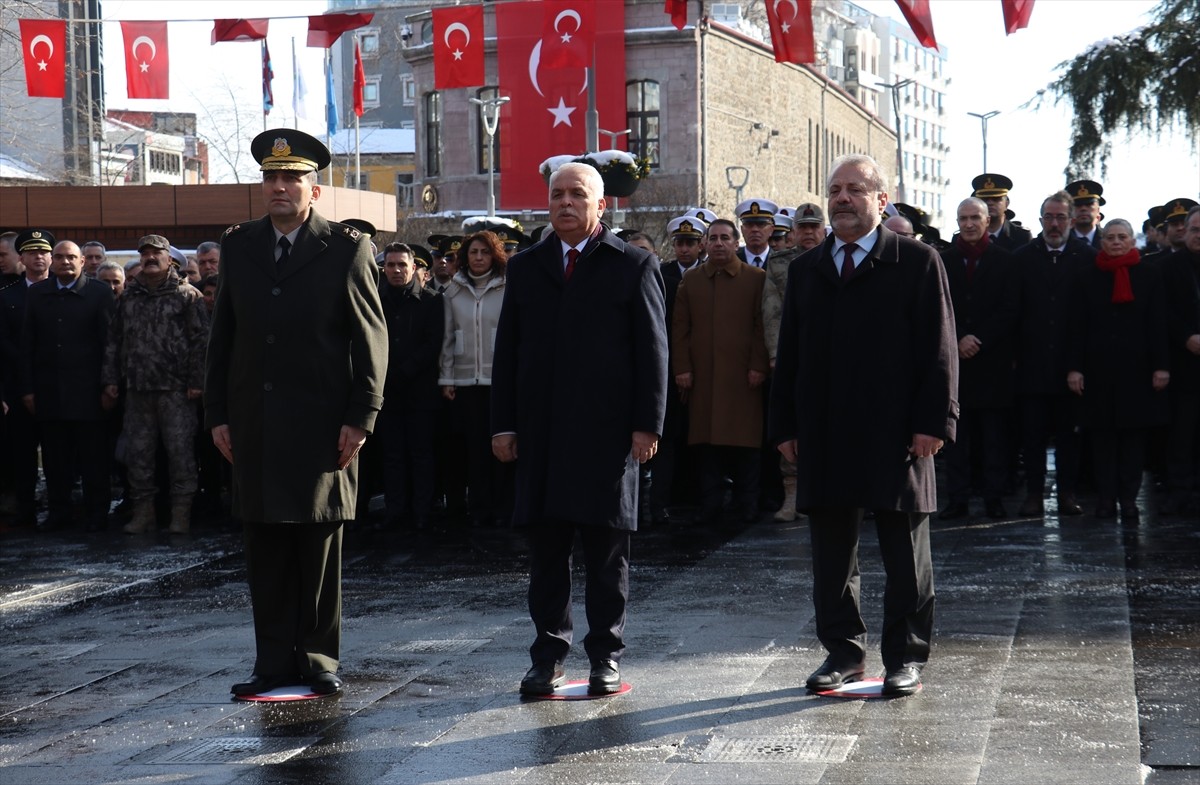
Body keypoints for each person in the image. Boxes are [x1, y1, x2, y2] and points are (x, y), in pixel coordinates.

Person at [205, 129, 387, 698]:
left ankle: (317, 659)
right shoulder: (239, 245)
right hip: (255, 422)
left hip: (322, 423)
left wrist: (362, 415)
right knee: (264, 545)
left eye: (292, 178)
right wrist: (217, 413)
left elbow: (371, 340)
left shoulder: (347, 248)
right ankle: (272, 663)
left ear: (315, 189)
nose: (279, 186)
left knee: (317, 545)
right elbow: (223, 337)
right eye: (271, 177)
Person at [769, 154, 958, 697]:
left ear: (880, 199)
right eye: (835, 190)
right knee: (832, 555)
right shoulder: (807, 268)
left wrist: (935, 421)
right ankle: (844, 653)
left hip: (898, 432)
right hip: (825, 431)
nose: (842, 199)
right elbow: (791, 353)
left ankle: (906, 657)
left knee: (905, 554)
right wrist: (784, 425)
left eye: (855, 189)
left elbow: (940, 348)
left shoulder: (917, 260)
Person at [491, 162, 668, 696]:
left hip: (606, 436)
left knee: (606, 556)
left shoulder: (634, 264)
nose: (565, 203)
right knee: (547, 555)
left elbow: (652, 352)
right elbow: (508, 352)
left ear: (601, 204)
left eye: (577, 195)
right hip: (542, 435)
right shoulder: (526, 266)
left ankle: (605, 656)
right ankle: (547, 657)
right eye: (557, 195)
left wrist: (647, 425)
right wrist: (503, 424)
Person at [102, 234, 209, 535]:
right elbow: (114, 340)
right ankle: (144, 514)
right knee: (139, 455)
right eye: (145, 253)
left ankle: (181, 514)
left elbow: (202, 342)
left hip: (176, 391)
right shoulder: (130, 297)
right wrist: (110, 379)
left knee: (180, 454)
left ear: (169, 259)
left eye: (156, 253)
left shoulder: (188, 295)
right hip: (138, 390)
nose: (150, 258)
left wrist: (197, 381)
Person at [1067, 219, 1170, 521]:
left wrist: (1161, 366)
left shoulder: (1149, 274)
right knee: (1102, 441)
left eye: (1121, 237)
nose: (1115, 242)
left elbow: (1158, 324)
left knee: (1133, 442)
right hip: (1097, 372)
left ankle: (1128, 500)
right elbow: (1076, 327)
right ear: (1102, 242)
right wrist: (1074, 368)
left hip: (1137, 372)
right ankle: (1105, 499)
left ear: (1131, 241)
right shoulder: (1086, 276)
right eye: (1110, 237)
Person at [672, 218, 768, 525]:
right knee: (707, 447)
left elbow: (762, 326)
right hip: (704, 379)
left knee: (746, 446)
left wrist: (758, 365)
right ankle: (710, 506)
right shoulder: (692, 280)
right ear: (704, 244)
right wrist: (682, 368)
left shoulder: (756, 278)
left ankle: (747, 506)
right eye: (712, 238)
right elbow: (680, 329)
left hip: (743, 379)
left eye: (725, 238)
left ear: (736, 243)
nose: (718, 243)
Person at [19, 239, 116, 532]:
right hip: (49, 392)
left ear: (82, 261)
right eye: (59, 257)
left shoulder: (99, 293)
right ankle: (59, 512)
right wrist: (28, 389)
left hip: (89, 393)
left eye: (71, 257)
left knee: (93, 460)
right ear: (52, 261)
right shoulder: (37, 293)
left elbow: (110, 343)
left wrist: (109, 384)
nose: (65, 262)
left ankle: (96, 514)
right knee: (55, 459)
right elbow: (27, 344)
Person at [1013, 191, 1096, 517]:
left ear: (1071, 220)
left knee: (1068, 437)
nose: (1054, 224)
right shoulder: (1023, 257)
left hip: (1070, 365)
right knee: (1032, 436)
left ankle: (1067, 495)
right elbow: (1014, 311)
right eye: (1049, 217)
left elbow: (1089, 317)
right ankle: (1034, 494)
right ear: (1040, 220)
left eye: (1061, 217)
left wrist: (1078, 364)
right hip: (1031, 365)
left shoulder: (1087, 257)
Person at [937, 197, 1018, 521]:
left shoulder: (1006, 261)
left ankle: (993, 498)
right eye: (963, 218)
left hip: (992, 362)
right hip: (955, 363)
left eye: (975, 218)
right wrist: (957, 338)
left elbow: (1010, 309)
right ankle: (957, 499)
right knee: (957, 437)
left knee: (994, 438)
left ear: (987, 221)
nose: (968, 224)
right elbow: (938, 305)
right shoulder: (943, 260)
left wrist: (979, 339)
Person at [439, 230, 510, 528]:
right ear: (465, 257)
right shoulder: (453, 291)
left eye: (485, 252)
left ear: (495, 255)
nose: (479, 258)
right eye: (473, 252)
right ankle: (479, 509)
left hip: (499, 382)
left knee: (502, 447)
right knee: (475, 449)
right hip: (466, 383)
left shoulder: (507, 287)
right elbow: (447, 337)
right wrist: (447, 378)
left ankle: (504, 508)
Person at [378, 242, 444, 530]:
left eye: (402, 265)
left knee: (421, 454)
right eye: (391, 265)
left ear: (413, 267)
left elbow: (433, 343)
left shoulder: (431, 301)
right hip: (386, 391)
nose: (396, 270)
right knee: (392, 455)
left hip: (420, 390)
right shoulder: (376, 299)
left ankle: (422, 514)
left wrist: (404, 371)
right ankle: (395, 512)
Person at [1, 229, 54, 528]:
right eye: (32, 252)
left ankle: (59, 508)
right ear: (22, 258)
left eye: (43, 252)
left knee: (58, 453)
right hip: (19, 386)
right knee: (23, 454)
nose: (38, 257)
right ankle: (25, 510)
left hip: (55, 385)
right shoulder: (7, 296)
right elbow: (3, 340)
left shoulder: (62, 292)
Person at [1161, 205, 1200, 514]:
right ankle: (1179, 491)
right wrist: (1186, 337)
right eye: (1195, 230)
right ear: (1185, 232)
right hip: (1183, 363)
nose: (1199, 236)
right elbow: (1163, 311)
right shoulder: (1168, 267)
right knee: (1181, 434)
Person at [971, 173, 1032, 251]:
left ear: (1006, 204)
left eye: (996, 199)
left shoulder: (1022, 236)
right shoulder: (967, 236)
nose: (990, 203)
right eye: (985, 199)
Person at [1065, 180, 1104, 249]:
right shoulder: (1062, 241)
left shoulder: (1108, 240)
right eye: (1078, 205)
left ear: (1098, 210)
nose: (1083, 208)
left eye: (1089, 204)